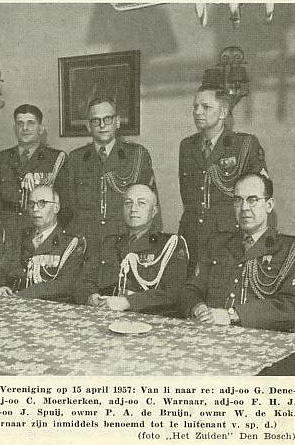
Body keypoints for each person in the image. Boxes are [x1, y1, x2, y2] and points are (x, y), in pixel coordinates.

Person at [180, 174, 295, 332]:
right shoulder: (217, 244)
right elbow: (190, 289)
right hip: (210, 335)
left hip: (261, 340)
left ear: (269, 205)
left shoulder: (289, 250)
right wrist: (198, 307)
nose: (244, 207)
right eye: (238, 200)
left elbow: (291, 305)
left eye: (252, 200)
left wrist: (234, 315)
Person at [179, 86, 268, 275]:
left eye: (206, 107)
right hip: (192, 239)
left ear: (223, 112)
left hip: (229, 240)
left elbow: (260, 197)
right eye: (195, 106)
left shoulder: (244, 145)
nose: (197, 112)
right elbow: (188, 198)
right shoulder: (187, 146)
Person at [76, 184, 188, 315]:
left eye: (141, 203)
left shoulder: (170, 245)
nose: (133, 209)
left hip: (149, 318)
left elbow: (172, 293)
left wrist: (128, 302)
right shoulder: (109, 243)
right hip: (105, 315)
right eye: (128, 203)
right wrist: (91, 296)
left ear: (154, 211)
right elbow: (83, 282)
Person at [66, 97, 158, 254]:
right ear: (88, 126)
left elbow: (151, 207)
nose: (102, 125)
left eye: (107, 119)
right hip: (86, 246)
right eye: (96, 120)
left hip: (123, 245)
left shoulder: (137, 155)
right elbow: (69, 209)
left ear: (117, 122)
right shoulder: (76, 158)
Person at [0, 104, 71, 238]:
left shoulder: (56, 159)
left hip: (40, 230)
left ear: (41, 129)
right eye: (20, 123)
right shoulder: (2, 158)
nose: (25, 128)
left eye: (31, 123)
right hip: (8, 231)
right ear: (14, 128)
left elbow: (65, 203)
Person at [0, 185, 85, 302]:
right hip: (14, 300)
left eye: (42, 203)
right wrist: (0, 287)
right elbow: (1, 270)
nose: (35, 209)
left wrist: (23, 295)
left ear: (56, 207)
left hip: (51, 306)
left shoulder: (70, 242)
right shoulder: (21, 236)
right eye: (32, 204)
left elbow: (65, 285)